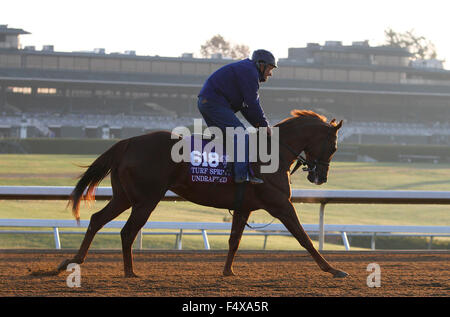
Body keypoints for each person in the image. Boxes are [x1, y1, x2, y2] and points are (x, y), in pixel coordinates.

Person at [197, 49, 277, 184]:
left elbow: (245, 107)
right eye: (269, 68)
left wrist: (259, 125)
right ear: (261, 65)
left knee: (226, 138)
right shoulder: (250, 72)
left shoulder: (247, 69)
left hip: (208, 102)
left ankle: (224, 172)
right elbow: (252, 102)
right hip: (214, 103)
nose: (270, 73)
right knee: (241, 135)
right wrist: (263, 125)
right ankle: (242, 176)